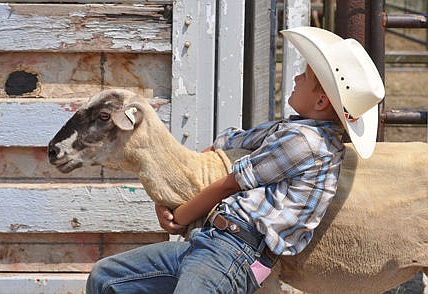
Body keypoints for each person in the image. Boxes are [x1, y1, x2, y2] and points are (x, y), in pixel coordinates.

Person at [86, 26, 384, 294]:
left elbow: (231, 184)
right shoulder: (291, 131)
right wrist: (172, 193)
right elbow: (229, 142)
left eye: (304, 76)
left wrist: (180, 217)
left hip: (234, 252)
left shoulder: (305, 143)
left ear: (320, 102)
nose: (295, 78)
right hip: (210, 243)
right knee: (107, 277)